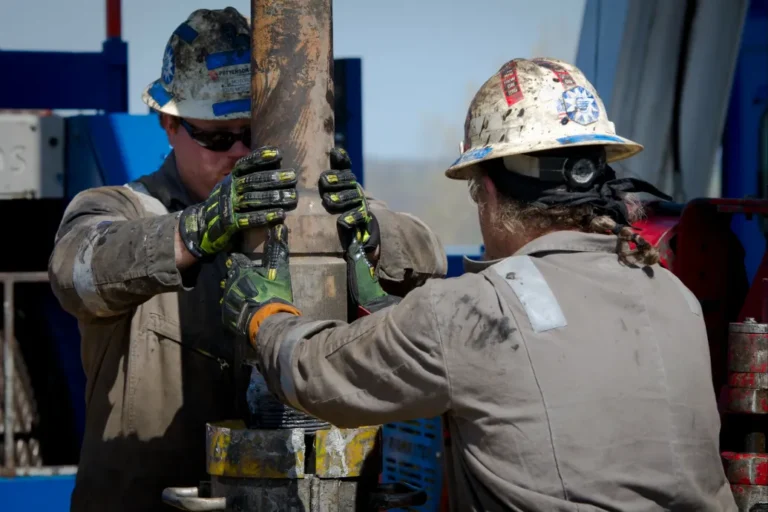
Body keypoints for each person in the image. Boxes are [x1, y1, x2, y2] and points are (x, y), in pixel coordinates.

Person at [220, 57, 737, 511]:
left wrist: (265, 318)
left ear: (487, 188)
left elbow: (314, 375)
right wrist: (388, 315)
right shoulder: (674, 295)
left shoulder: (473, 311)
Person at [47, 7, 446, 512]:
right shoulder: (123, 209)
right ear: (169, 124)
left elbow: (430, 256)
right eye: (217, 137)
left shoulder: (316, 211)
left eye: (252, 134)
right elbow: (76, 271)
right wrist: (194, 231)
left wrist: (374, 236)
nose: (238, 152)